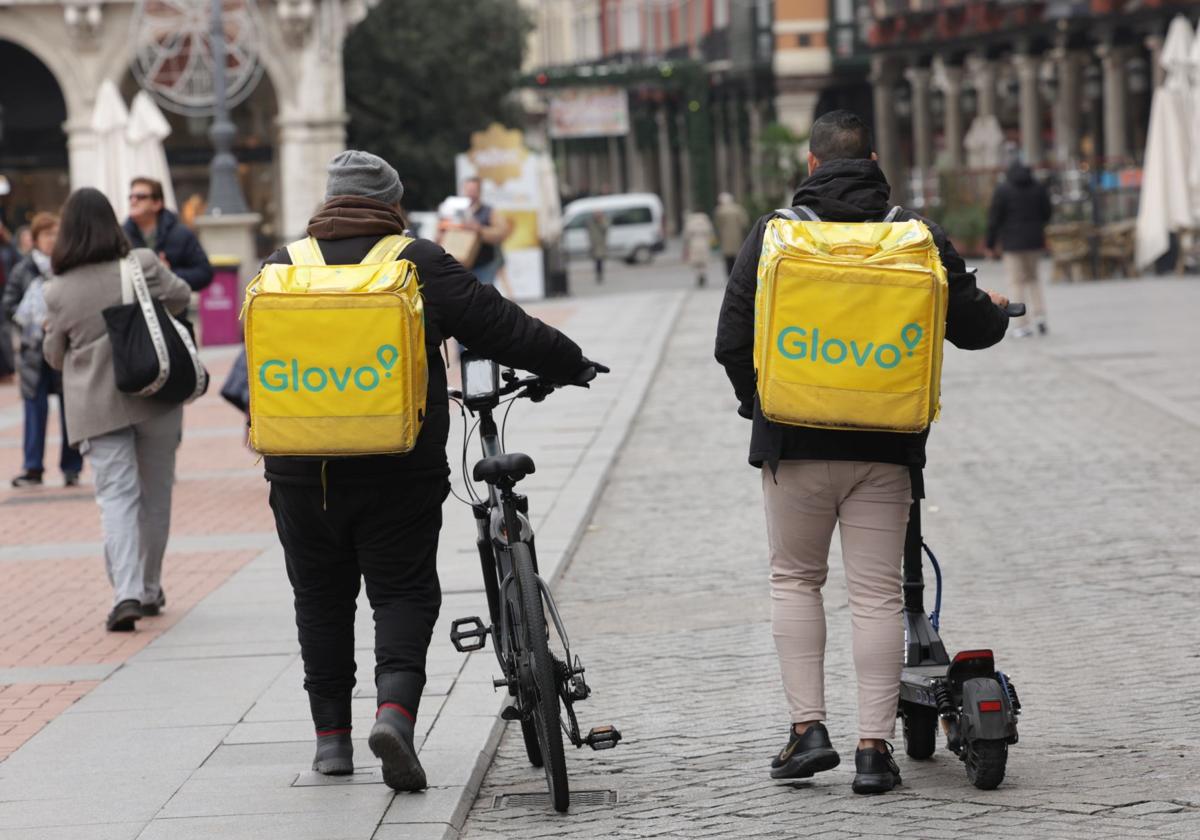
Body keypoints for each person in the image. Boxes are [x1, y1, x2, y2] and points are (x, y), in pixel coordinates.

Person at [260, 151, 604, 792]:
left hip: (302, 472)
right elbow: (502, 326)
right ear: (393, 204)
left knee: (320, 599)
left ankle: (331, 742)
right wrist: (571, 362)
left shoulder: (283, 264)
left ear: (328, 202)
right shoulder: (414, 261)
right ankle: (395, 715)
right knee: (402, 592)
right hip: (399, 466)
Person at [715, 110, 1010, 795]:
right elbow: (974, 327)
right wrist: (994, 307)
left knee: (796, 580)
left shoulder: (776, 236)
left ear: (812, 167)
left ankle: (806, 731)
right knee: (878, 597)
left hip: (795, 442)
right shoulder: (915, 235)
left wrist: (758, 405)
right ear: (875, 161)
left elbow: (731, 342)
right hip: (886, 447)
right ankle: (875, 752)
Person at [43, 188, 192, 632]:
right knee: (156, 496)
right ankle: (149, 588)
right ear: (111, 223)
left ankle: (125, 591)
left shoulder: (58, 291)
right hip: (157, 392)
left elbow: (53, 356)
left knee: (117, 499)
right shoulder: (142, 264)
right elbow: (183, 296)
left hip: (97, 406)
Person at [3, 213, 84, 487]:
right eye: (47, 234)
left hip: (65, 349)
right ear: (35, 239)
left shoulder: (70, 266)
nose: (52, 239)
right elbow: (9, 304)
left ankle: (72, 467)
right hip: (34, 353)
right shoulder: (23, 269)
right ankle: (33, 468)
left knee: (70, 410)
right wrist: (30, 316)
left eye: (56, 233)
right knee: (34, 409)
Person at [987, 162, 1052, 337]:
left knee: (1016, 282)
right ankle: (1040, 317)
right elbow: (1047, 212)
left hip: (1012, 242)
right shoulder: (1038, 187)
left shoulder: (1003, 189)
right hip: (1035, 241)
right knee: (1034, 279)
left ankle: (1022, 324)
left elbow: (994, 218)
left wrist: (990, 244)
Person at [121, 177, 214, 292]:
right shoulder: (120, 237)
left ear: (157, 204)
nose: (133, 201)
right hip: (133, 308)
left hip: (171, 308)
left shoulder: (182, 234)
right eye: (131, 197)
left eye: (141, 197)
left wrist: (169, 274)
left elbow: (204, 274)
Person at [460, 176, 511, 288]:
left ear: (479, 192)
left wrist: (480, 230)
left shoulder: (489, 211)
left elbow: (502, 232)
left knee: (483, 299)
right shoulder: (457, 211)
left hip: (485, 265)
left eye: (473, 190)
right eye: (468, 190)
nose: (470, 194)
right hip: (462, 266)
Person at [715, 192, 751, 276]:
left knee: (727, 256)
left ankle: (729, 273)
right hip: (737, 236)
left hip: (725, 236)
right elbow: (744, 222)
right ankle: (738, 273)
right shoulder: (738, 209)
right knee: (738, 255)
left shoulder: (720, 210)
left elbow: (718, 224)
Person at [683, 211, 716, 288]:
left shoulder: (690, 221)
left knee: (696, 262)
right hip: (704, 243)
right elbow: (710, 233)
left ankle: (698, 275)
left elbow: (686, 235)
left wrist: (686, 244)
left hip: (694, 243)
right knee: (704, 262)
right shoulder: (705, 221)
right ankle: (703, 274)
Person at [586, 210, 609, 283]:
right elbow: (588, 230)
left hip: (600, 245)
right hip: (594, 245)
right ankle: (598, 275)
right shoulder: (591, 222)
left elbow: (605, 228)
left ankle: (600, 276)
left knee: (600, 261)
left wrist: (600, 221)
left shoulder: (603, 221)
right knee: (596, 261)